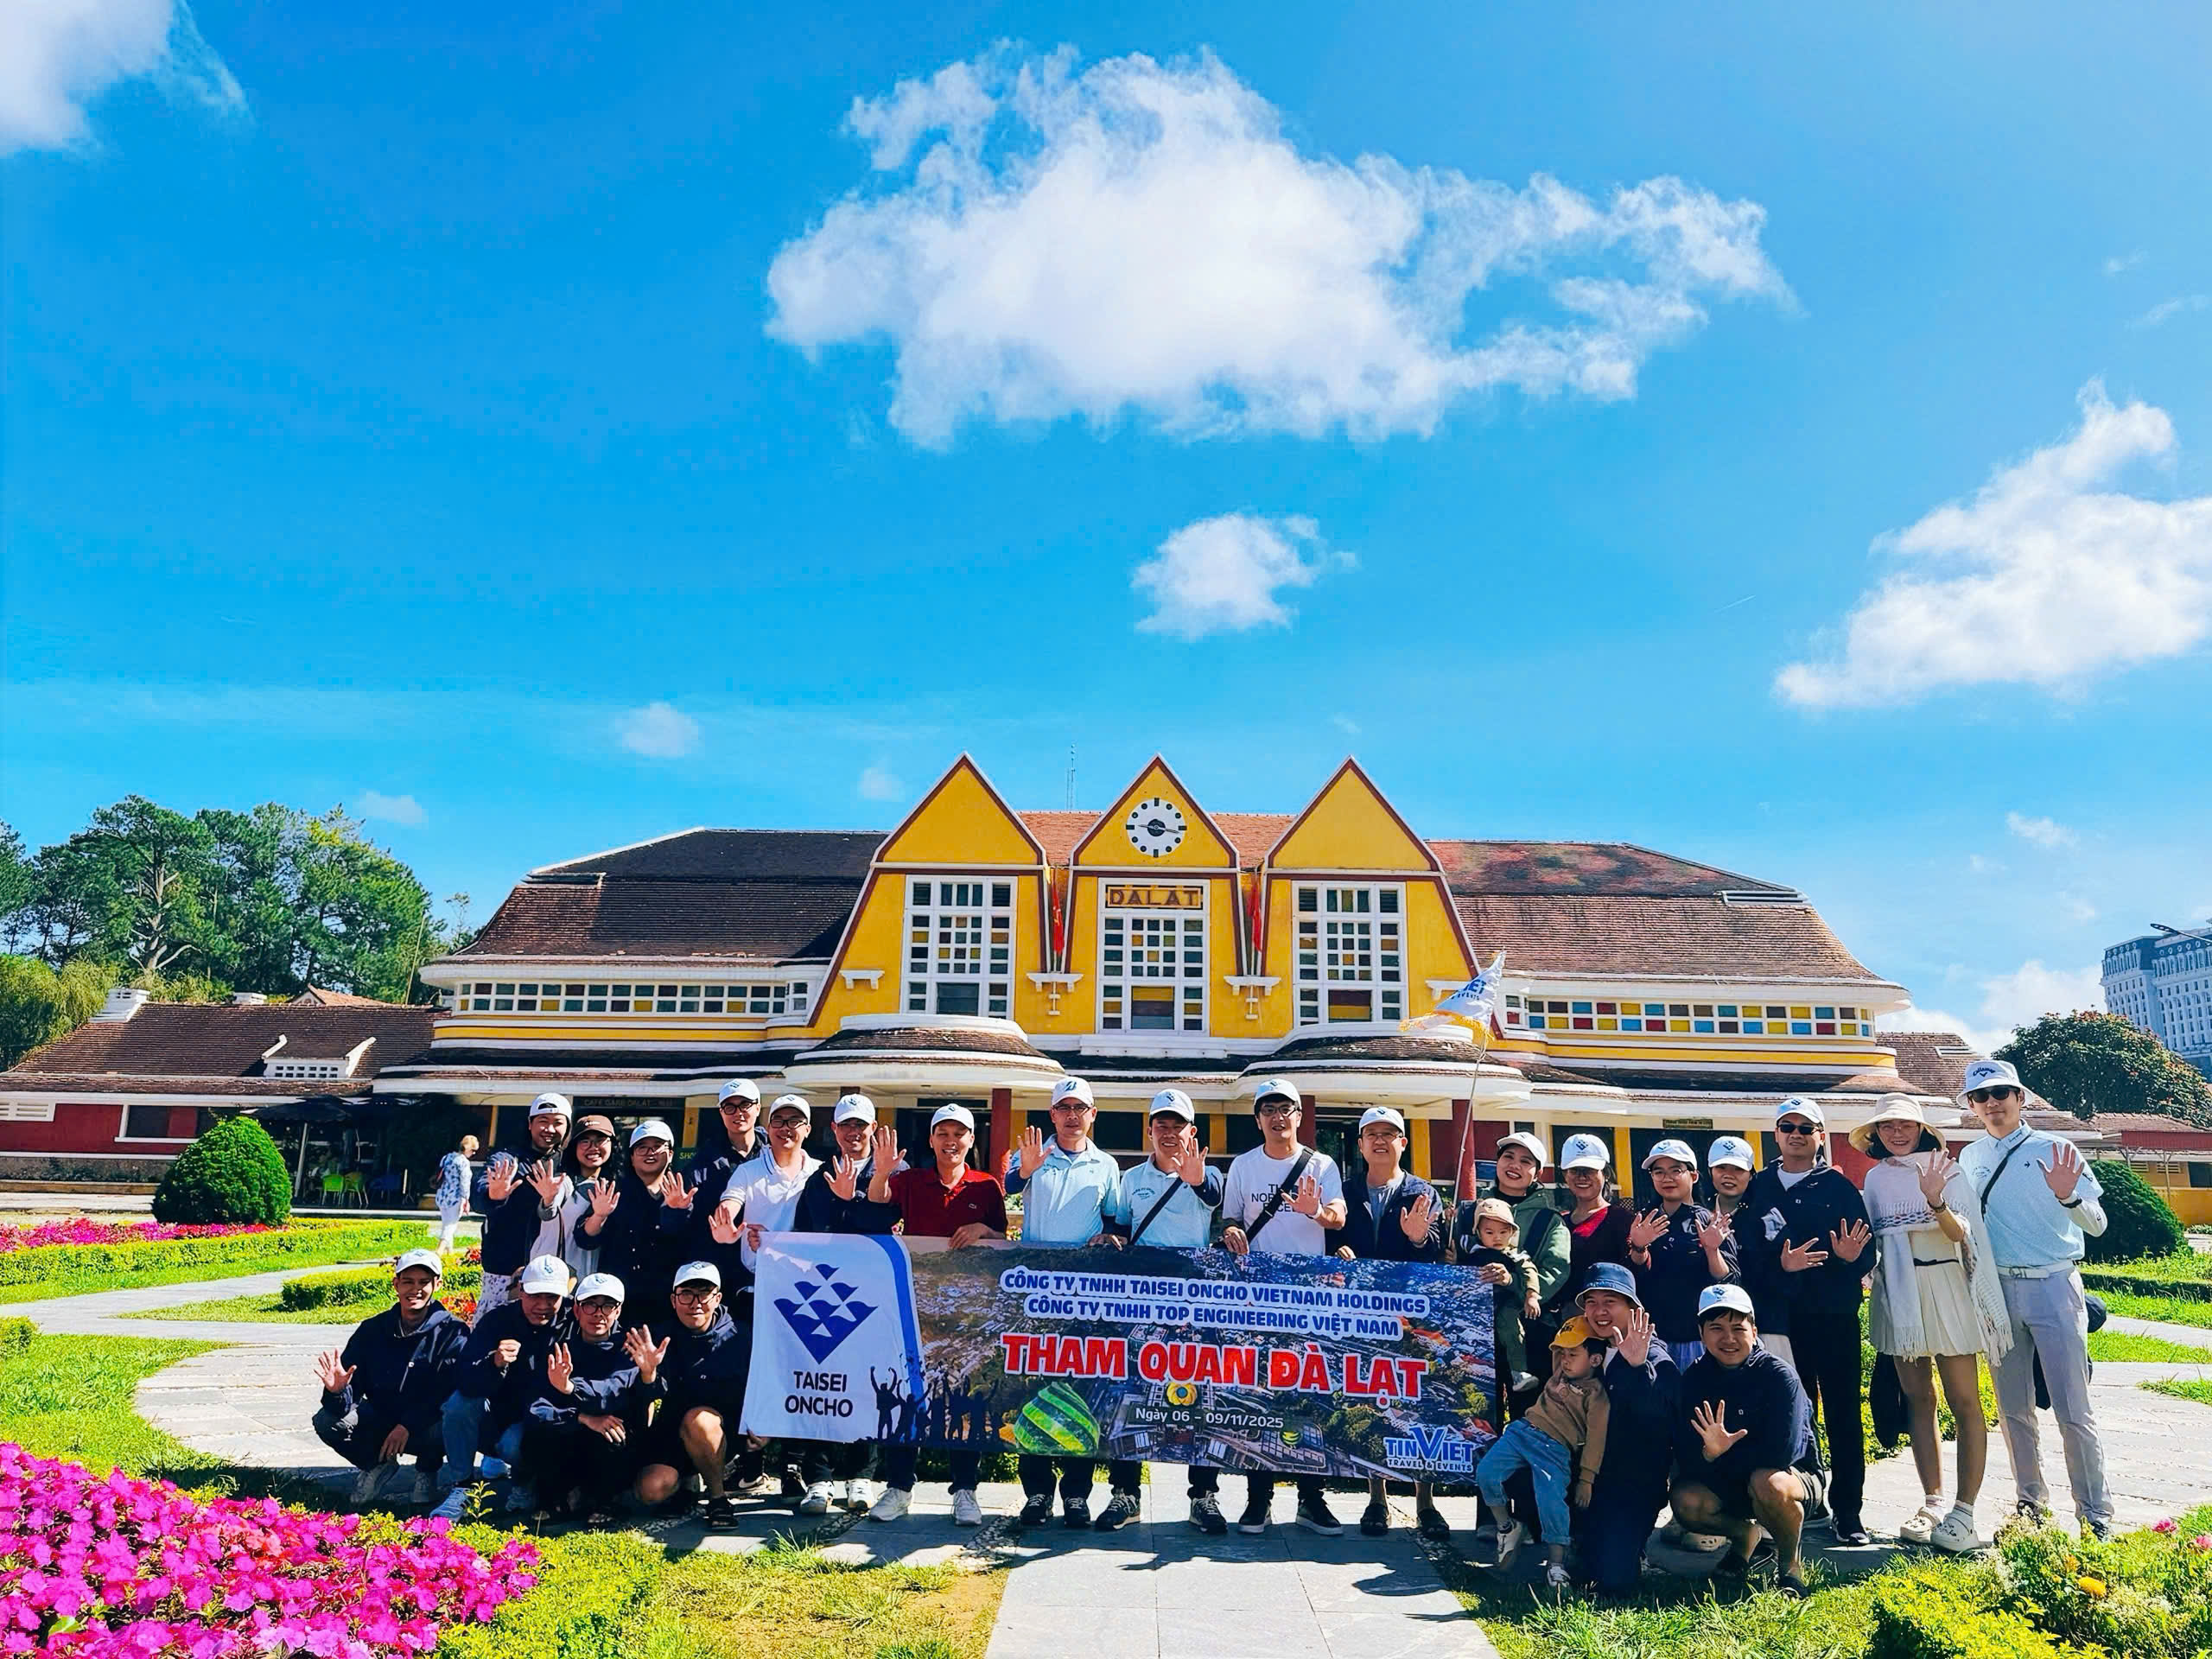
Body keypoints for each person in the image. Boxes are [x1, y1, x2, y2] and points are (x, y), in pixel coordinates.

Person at [1955, 1058, 2112, 1537]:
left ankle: (2095, 1513)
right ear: (1971, 1107)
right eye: (1981, 1097)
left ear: (2021, 1098)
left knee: (2073, 1408)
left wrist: (2069, 1198)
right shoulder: (1970, 1157)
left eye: (2001, 1093)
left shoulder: (2057, 1148)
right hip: (1997, 1290)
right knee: (2013, 1407)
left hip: (2053, 1284)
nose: (1992, 1103)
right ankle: (2031, 1506)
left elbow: (2098, 1224)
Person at [1853, 1096, 2012, 1554]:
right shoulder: (1876, 1178)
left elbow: (1964, 1234)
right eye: (1887, 1127)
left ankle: (1965, 1510)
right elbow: (1873, 1236)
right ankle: (1933, 1502)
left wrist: (1936, 1201)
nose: (1896, 1134)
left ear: (1921, 1128)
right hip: (1898, 1291)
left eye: (1905, 1125)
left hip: (1946, 1283)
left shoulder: (1948, 1167)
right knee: (1918, 1398)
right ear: (1877, 1134)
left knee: (1964, 1400)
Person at [1734, 1099, 1873, 1545]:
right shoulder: (1758, 1189)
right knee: (1792, 1415)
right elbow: (1746, 1259)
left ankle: (1849, 1513)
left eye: (1806, 1128)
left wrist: (1854, 1261)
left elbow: (1865, 1249)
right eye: (1787, 1127)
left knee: (1842, 1415)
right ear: (1776, 1134)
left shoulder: (1839, 1187)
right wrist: (1783, 1268)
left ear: (1820, 1136)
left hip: (1832, 1319)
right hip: (1779, 1320)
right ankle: (1806, 1501)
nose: (1796, 1134)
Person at [1003, 1076, 1138, 1530]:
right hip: (1035, 1292)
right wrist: (1026, 1168)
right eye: (1064, 1108)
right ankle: (1037, 1492)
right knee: (1033, 1390)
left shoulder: (1107, 1165)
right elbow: (1008, 1186)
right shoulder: (1033, 1156)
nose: (1073, 1115)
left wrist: (1110, 1236)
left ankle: (1077, 1494)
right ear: (1053, 1114)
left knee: (1080, 1392)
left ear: (1093, 1115)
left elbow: (1117, 1224)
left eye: (1081, 1108)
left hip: (1084, 1297)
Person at [866, 1103, 1007, 1527]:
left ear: (970, 1140)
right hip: (914, 1307)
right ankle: (899, 1488)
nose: (951, 1141)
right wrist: (879, 1172)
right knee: (906, 1394)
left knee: (963, 1397)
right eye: (943, 1133)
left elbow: (1002, 1238)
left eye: (959, 1134)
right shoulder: (910, 1180)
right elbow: (878, 1207)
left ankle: (965, 1491)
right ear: (932, 1140)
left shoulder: (986, 1187)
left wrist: (983, 1230)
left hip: (966, 1312)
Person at [1219, 1078, 1348, 1536]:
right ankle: (1259, 1499)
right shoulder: (1243, 1166)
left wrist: (1314, 1212)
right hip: (1255, 1297)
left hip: (1308, 1296)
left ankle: (1312, 1499)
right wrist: (1233, 1231)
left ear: (1298, 1116)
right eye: (1268, 1109)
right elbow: (1231, 1217)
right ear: (1258, 1120)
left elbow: (1338, 1216)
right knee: (1258, 1396)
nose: (1278, 1117)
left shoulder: (1322, 1164)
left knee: (1309, 1396)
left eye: (1286, 1109)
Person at [1103, 1088, 1228, 1532]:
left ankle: (1204, 1497)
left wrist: (1196, 1177)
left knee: (1199, 1396)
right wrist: (1110, 1238)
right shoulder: (1131, 1177)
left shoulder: (1205, 1174)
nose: (1169, 1132)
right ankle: (1125, 1493)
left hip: (1194, 1303)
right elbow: (1119, 1225)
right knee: (1131, 1390)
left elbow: (1214, 1198)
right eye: (1162, 1124)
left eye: (1178, 1125)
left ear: (1192, 1132)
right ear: (1149, 1130)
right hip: (1144, 1300)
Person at [1334, 1106, 1450, 1539]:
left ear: (1404, 1142)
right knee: (1369, 1400)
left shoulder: (1423, 1193)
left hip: (1411, 1319)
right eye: (1372, 1134)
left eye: (1390, 1134)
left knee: (1418, 1405)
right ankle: (1376, 1499)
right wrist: (1339, 1254)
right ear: (1361, 1144)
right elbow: (1330, 1239)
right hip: (1361, 1319)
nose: (1380, 1141)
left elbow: (1439, 1252)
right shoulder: (1345, 1191)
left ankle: (1425, 1501)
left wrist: (1420, 1236)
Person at [1669, 1284, 1815, 1598]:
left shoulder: (1779, 1376)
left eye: (1738, 1328)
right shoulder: (1694, 1379)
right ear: (1701, 1333)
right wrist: (1709, 1453)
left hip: (1791, 1478)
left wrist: (1719, 1454)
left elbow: (1781, 1453)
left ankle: (1790, 1566)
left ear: (1754, 1329)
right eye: (1717, 1328)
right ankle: (1745, 1537)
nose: (1729, 1338)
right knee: (1685, 1499)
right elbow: (1685, 1452)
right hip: (1728, 1476)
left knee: (1768, 1482)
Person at [790, 1093, 897, 1515]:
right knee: (823, 1386)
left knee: (869, 1388)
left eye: (861, 1126)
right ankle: (819, 1478)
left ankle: (862, 1476)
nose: (854, 1133)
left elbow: (885, 1228)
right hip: (826, 1298)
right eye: (846, 1126)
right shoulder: (818, 1178)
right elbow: (807, 1233)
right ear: (833, 1130)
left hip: (873, 1299)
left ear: (874, 1128)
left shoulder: (893, 1171)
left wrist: (854, 1197)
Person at [312, 1248, 467, 1508]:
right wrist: (337, 1392)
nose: (415, 1290)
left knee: (454, 1419)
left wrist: (408, 1425)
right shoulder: (373, 1329)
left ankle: (427, 1470)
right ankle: (377, 1465)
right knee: (327, 1421)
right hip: (383, 1417)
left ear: (437, 1284)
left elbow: (447, 1391)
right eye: (408, 1281)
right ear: (395, 1284)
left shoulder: (454, 1332)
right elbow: (349, 1390)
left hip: (428, 1423)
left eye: (423, 1283)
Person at [1566, 1262, 1681, 1592]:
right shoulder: (1589, 1347)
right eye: (1592, 1302)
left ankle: (1628, 1546)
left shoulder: (1655, 1358)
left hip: (1631, 1483)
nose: (1600, 1311)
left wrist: (1636, 1367)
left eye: (1610, 1302)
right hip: (1588, 1474)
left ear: (1633, 1308)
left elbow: (1659, 1420)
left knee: (1612, 1579)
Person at [516, 1272, 664, 1522]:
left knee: (611, 1433)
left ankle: (607, 1502)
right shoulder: (559, 1350)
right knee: (537, 1436)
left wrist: (570, 1389)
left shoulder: (630, 1350)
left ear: (618, 1312)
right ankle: (557, 1501)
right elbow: (535, 1407)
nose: (599, 1313)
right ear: (576, 1310)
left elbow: (611, 1395)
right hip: (573, 1432)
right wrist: (581, 1418)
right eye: (590, 1305)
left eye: (608, 1306)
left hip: (615, 1442)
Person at [434, 1252, 573, 1519]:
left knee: (515, 1444)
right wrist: (494, 1363)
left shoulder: (573, 1322)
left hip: (541, 1421)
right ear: (521, 1290)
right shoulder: (497, 1320)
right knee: (458, 1405)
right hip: (497, 1414)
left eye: (551, 1298)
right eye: (534, 1296)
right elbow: (465, 1378)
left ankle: (524, 1482)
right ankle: (462, 1486)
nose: (542, 1305)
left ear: (564, 1297)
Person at [1476, 1317, 1611, 1589]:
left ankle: (1557, 1564)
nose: (1564, 1360)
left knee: (1551, 1501)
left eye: (1573, 1354)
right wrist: (1564, 1343)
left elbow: (1597, 1438)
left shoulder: (1597, 1396)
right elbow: (1556, 1351)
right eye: (1561, 1353)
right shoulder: (1558, 1374)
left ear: (1595, 1360)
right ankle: (1507, 1528)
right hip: (1522, 1432)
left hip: (1555, 1449)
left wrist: (1586, 1479)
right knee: (1486, 1473)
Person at [632, 1260, 752, 1530]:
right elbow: (643, 1399)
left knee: (699, 1420)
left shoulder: (742, 1336)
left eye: (704, 1294)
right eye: (686, 1294)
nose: (695, 1303)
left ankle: (718, 1497)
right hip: (673, 1431)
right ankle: (687, 1483)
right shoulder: (656, 1337)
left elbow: (764, 1386)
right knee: (650, 1490)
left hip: (723, 1430)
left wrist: (763, 1424)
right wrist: (648, 1373)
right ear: (674, 1300)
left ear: (718, 1298)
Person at [1459, 1130, 1573, 1373]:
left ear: (1538, 1173)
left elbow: (1556, 1271)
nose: (1514, 1165)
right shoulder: (1469, 1212)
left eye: (1525, 1161)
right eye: (1508, 1157)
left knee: (1526, 1405)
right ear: (1497, 1162)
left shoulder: (1550, 1220)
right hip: (1470, 1328)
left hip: (1526, 1329)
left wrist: (1515, 1286)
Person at [1627, 1139, 1738, 1371]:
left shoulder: (1710, 1221)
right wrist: (1638, 1247)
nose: (1667, 1178)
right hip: (1653, 1337)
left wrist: (1711, 1249)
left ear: (1694, 1176)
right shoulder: (1644, 1220)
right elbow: (1634, 1276)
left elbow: (1729, 1281)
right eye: (1659, 1172)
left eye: (1676, 1170)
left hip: (1696, 1337)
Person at [576, 1120, 696, 1328]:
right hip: (619, 1301)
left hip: (668, 1301)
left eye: (657, 1146)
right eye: (642, 1148)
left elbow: (689, 1242)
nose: (650, 1153)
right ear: (632, 1157)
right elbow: (585, 1239)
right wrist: (599, 1215)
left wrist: (678, 1211)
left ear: (670, 1154)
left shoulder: (685, 1191)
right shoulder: (614, 1191)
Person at [473, 1094, 572, 1324]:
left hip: (551, 1272)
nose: (549, 1128)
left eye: (558, 1122)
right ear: (530, 1124)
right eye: (542, 1121)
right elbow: (480, 1194)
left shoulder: (568, 1164)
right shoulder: (508, 1158)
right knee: (492, 1337)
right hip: (505, 1269)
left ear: (567, 1127)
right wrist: (493, 1195)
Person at [1459, 1198, 1541, 1398]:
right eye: (1490, 1232)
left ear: (1512, 1232)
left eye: (1503, 1232)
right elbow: (1453, 1245)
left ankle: (1518, 1372)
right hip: (1477, 1305)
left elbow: (1530, 1273)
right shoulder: (1470, 1248)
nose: (1497, 1237)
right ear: (1478, 1232)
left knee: (1511, 1330)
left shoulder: (1516, 1255)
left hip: (1506, 1303)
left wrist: (1531, 1296)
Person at [1558, 1134, 1633, 1301]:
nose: (1582, 1177)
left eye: (1589, 1170)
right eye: (1575, 1171)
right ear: (1565, 1175)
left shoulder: (1622, 1220)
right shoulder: (1558, 1222)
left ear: (1606, 1174)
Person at [546, 1113, 620, 1279]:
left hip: (597, 1279)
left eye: (600, 1140)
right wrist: (547, 1201)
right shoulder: (560, 1183)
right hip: (554, 1274)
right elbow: (545, 1214)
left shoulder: (618, 1186)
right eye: (585, 1141)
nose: (592, 1147)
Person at [690, 1078, 764, 1180]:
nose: (738, 1113)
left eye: (745, 1105)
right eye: (730, 1107)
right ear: (721, 1113)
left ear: (758, 1109)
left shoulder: (773, 1149)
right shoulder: (706, 1158)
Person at [435, 1135, 480, 1255]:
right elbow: (465, 1182)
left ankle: (450, 1252)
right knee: (451, 1225)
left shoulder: (447, 1157)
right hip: (455, 1197)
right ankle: (439, 1251)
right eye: (473, 1150)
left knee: (446, 1223)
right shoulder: (463, 1162)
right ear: (468, 1148)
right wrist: (466, 1199)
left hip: (442, 1195)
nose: (474, 1153)